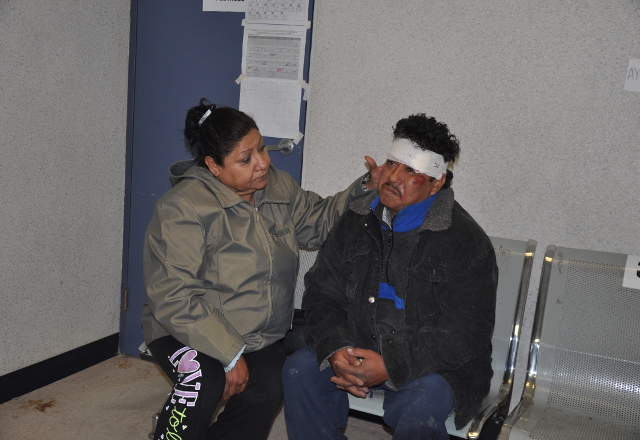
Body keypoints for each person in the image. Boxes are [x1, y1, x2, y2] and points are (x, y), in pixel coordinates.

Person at [141, 98, 380, 440]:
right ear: (213, 166)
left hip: (256, 334)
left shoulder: (276, 186)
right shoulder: (182, 208)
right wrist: (229, 354)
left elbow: (319, 222)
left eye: (262, 148)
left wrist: (367, 187)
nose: (263, 163)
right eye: (246, 159)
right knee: (203, 378)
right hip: (182, 328)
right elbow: (173, 297)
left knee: (267, 386)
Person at [282, 114, 498, 440]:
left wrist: (390, 365)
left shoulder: (465, 242)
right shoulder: (355, 219)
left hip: (432, 366)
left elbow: (465, 333)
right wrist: (336, 347)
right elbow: (322, 291)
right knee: (300, 370)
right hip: (358, 345)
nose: (393, 177)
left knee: (422, 404)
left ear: (436, 182)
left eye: (411, 171)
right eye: (392, 163)